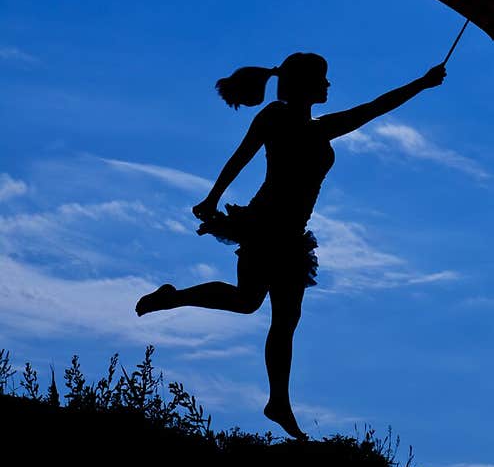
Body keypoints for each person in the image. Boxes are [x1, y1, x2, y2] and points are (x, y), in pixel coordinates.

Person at [136, 52, 446, 438]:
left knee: (278, 317)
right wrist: (212, 198)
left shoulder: (321, 129)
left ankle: (277, 401)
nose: (329, 85)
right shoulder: (274, 118)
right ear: (306, 84)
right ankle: (176, 298)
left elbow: (375, 108)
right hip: (265, 226)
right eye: (324, 79)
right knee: (250, 303)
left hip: (292, 236)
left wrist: (422, 83)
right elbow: (241, 157)